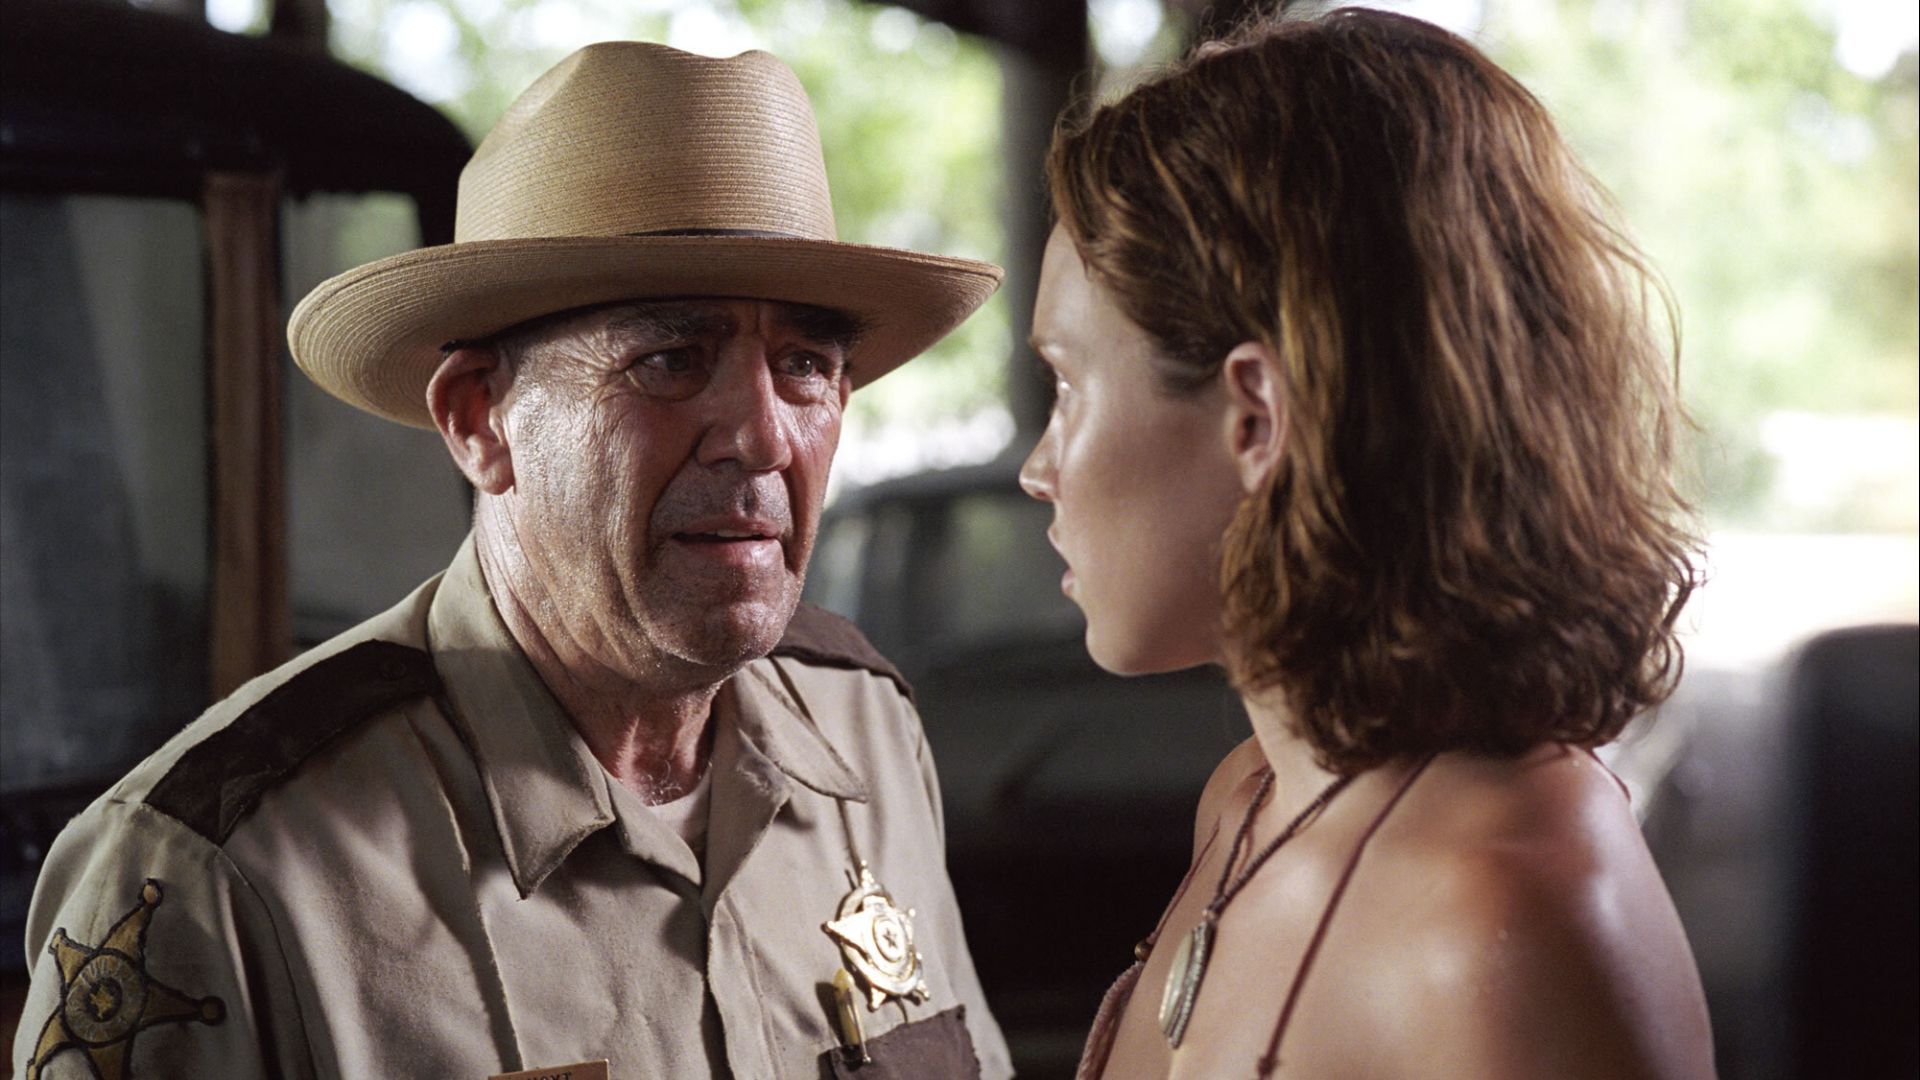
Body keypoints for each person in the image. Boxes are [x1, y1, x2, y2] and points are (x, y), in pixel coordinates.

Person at [15, 42, 1010, 1079]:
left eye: (804, 365)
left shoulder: (868, 733)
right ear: (479, 420)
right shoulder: (213, 873)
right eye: (671, 361)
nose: (762, 438)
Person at [1020, 11, 1715, 1079]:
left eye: (1069, 386)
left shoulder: (1498, 924)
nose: (1038, 467)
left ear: (1255, 415)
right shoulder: (1250, 801)